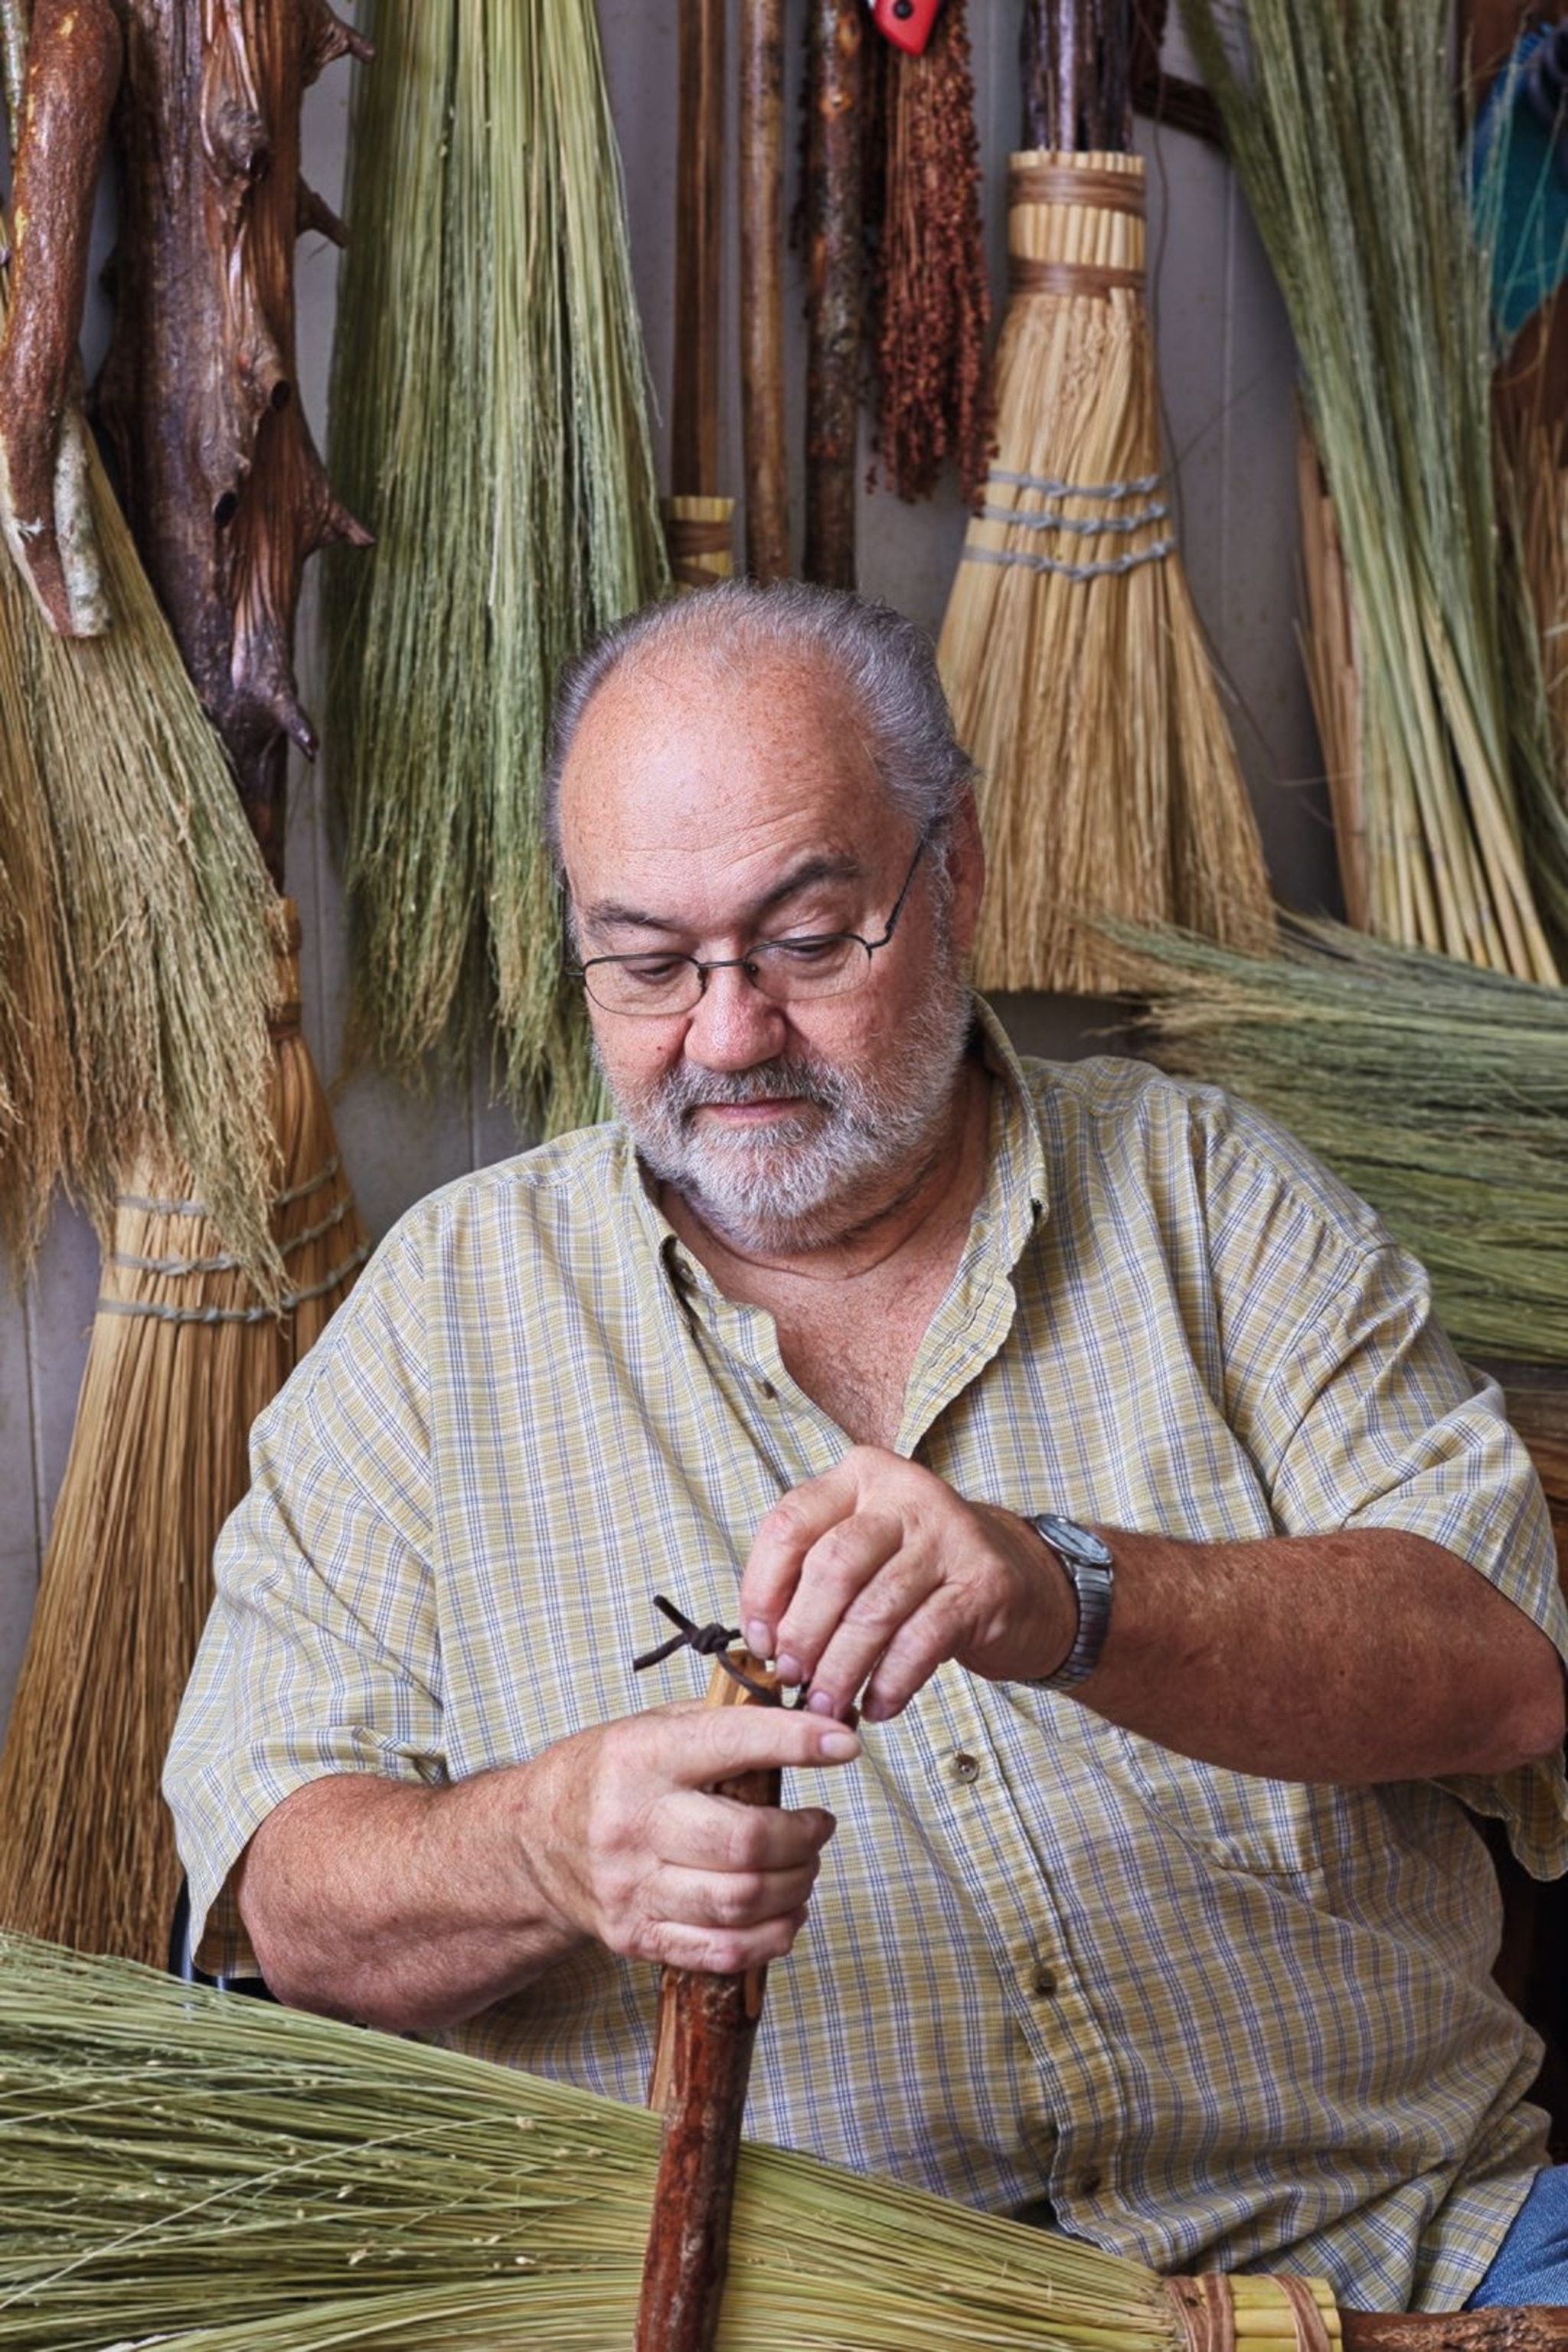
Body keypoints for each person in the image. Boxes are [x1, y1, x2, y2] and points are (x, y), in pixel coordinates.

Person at [165, 580, 1568, 2314]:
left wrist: (1071, 1597)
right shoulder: (443, 1318)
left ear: (953, 873)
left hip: (1382, 2259)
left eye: (808, 942)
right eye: (650, 963)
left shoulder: (1211, 1198)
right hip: (803, 2311)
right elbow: (285, 1905)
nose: (730, 1030)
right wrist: (542, 1844)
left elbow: (1500, 1671)